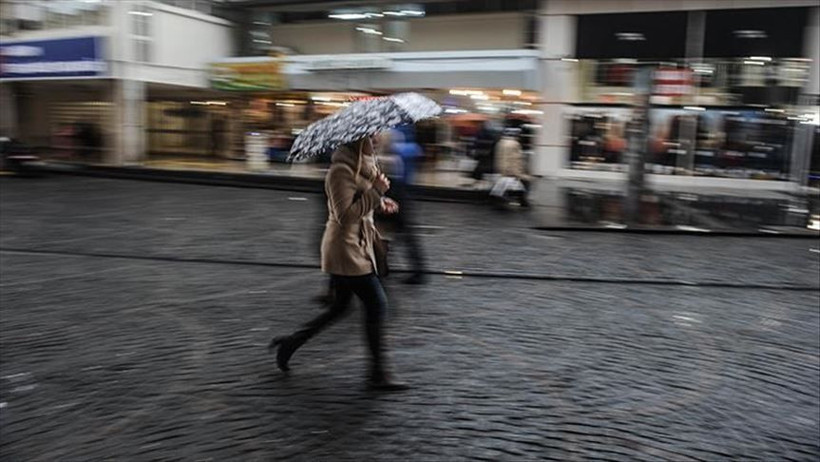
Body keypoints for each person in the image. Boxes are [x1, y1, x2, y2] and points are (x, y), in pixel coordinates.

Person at [269, 135, 409, 391]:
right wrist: (376, 191)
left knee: (339, 308)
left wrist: (380, 202)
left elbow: (361, 205)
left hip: (358, 246)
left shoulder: (365, 166)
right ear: (357, 141)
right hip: (345, 249)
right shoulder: (340, 171)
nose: (376, 140)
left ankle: (289, 345)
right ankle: (378, 374)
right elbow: (344, 215)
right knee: (377, 304)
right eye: (371, 136)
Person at [378, 126, 427, 285]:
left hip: (394, 197)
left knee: (387, 234)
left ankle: (382, 268)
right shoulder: (398, 155)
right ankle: (416, 269)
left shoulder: (387, 159)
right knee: (399, 235)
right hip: (402, 194)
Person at [494, 127, 531, 208]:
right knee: (525, 182)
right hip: (511, 169)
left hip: (502, 168)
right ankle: (522, 201)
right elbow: (516, 159)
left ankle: (518, 200)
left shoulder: (500, 143)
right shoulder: (515, 144)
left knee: (504, 184)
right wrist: (519, 172)